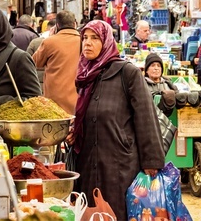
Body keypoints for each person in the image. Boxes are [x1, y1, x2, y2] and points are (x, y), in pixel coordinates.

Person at [66, 20, 165, 220]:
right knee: (91, 213)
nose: (87, 43)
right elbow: (89, 114)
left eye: (94, 38)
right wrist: (75, 131)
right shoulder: (86, 75)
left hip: (119, 165)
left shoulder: (126, 72)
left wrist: (151, 162)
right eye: (84, 38)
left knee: (117, 212)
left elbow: (145, 116)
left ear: (107, 42)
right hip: (88, 161)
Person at [32, 11, 80, 115]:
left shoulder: (50, 42)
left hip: (54, 100)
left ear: (57, 25)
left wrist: (50, 37)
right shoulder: (82, 41)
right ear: (75, 24)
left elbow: (34, 62)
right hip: (78, 97)